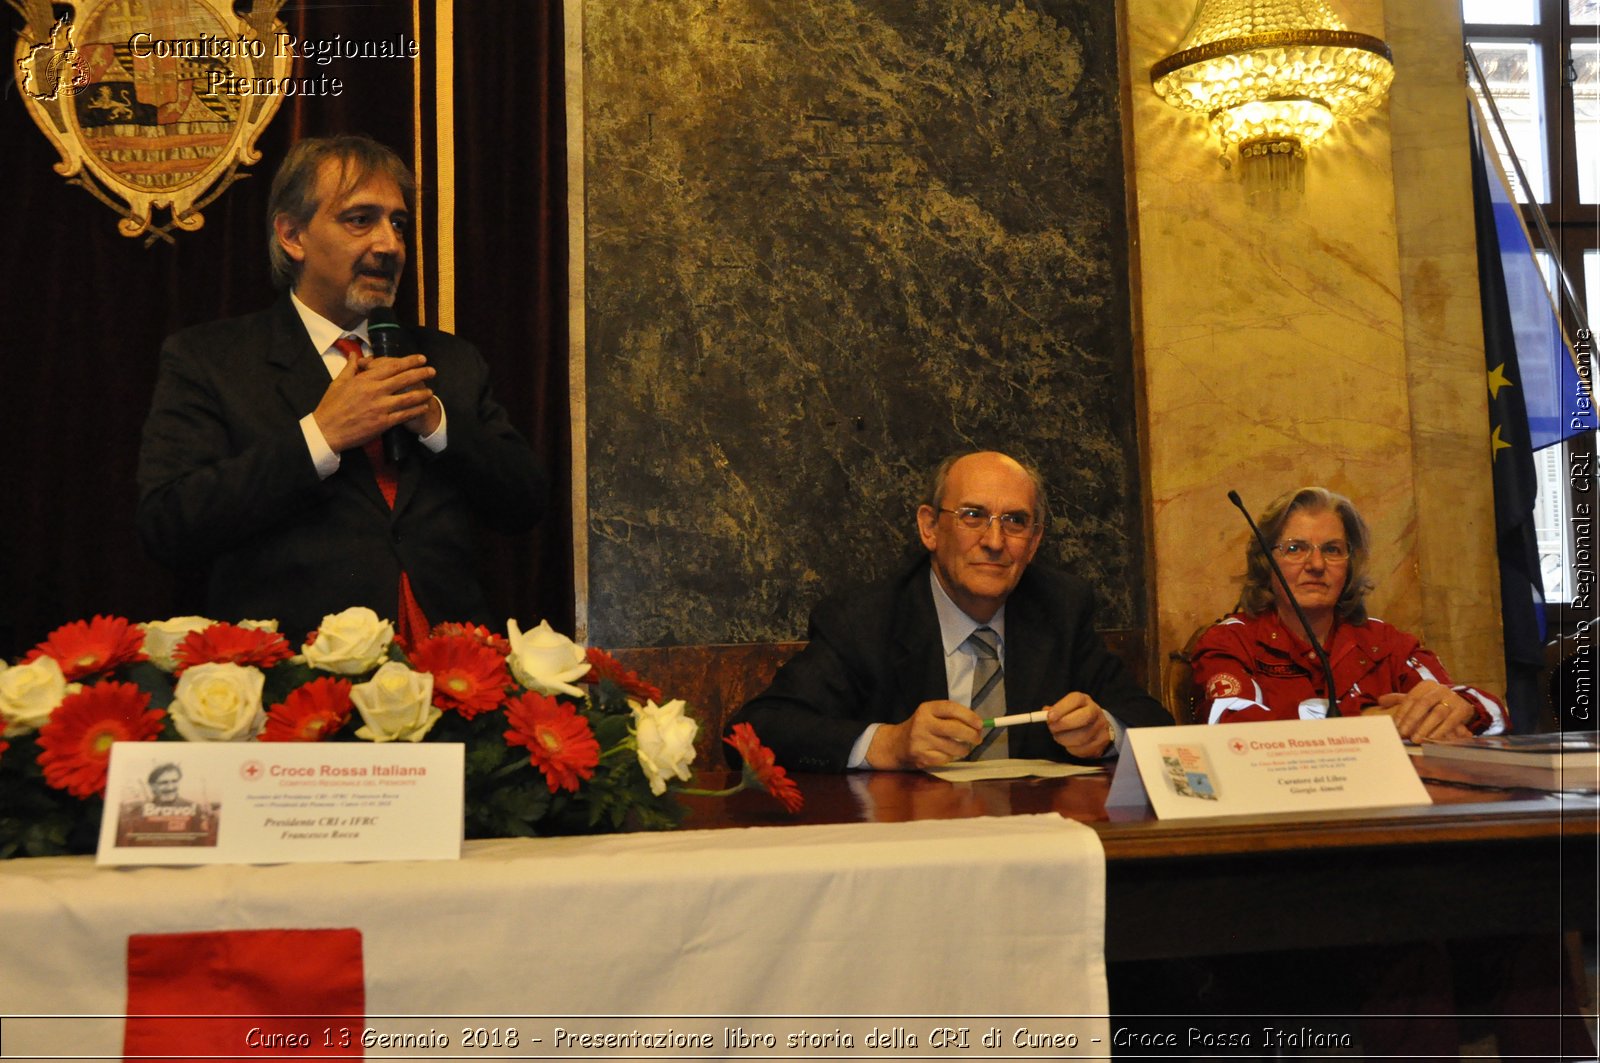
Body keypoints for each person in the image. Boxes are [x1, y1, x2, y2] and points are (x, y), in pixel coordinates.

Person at [137, 135, 545, 643]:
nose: (389, 244)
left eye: (398, 223)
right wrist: (321, 436)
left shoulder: (451, 361)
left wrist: (437, 424)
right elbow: (169, 525)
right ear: (292, 235)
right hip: (298, 678)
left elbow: (525, 504)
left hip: (454, 674)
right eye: (360, 220)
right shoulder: (211, 359)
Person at [728, 451, 1171, 771]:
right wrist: (888, 743)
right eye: (973, 515)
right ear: (929, 528)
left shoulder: (1061, 608)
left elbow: (1155, 723)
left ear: (1033, 542)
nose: (995, 541)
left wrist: (1106, 731)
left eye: (1015, 521)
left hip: (1035, 847)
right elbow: (753, 732)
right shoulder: (865, 619)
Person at [1192, 486, 1506, 737]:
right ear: (1266, 563)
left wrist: (1461, 708)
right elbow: (1230, 727)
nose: (1315, 565)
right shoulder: (1230, 641)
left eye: (1332, 550)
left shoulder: (1384, 641)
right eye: (1295, 548)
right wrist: (1369, 720)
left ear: (1350, 565)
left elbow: (1492, 711)